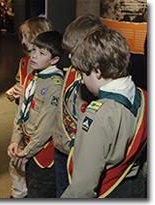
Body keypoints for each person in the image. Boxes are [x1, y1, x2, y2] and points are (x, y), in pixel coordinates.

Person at [61, 26, 147, 198]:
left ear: (97, 71)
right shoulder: (143, 96)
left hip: (110, 192)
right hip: (135, 187)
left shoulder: (98, 116)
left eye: (83, 74)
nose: (83, 82)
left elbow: (82, 188)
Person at [52, 14, 107, 198]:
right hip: (61, 149)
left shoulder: (97, 83)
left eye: (73, 50)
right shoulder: (73, 71)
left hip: (81, 157)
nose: (68, 56)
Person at [7, 31, 65, 198]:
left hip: (43, 155)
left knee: (41, 193)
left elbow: (45, 128)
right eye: (33, 50)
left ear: (54, 60)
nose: (33, 56)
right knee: (31, 189)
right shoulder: (33, 75)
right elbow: (22, 109)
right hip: (29, 149)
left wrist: (27, 152)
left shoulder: (55, 85)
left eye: (41, 53)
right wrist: (15, 139)